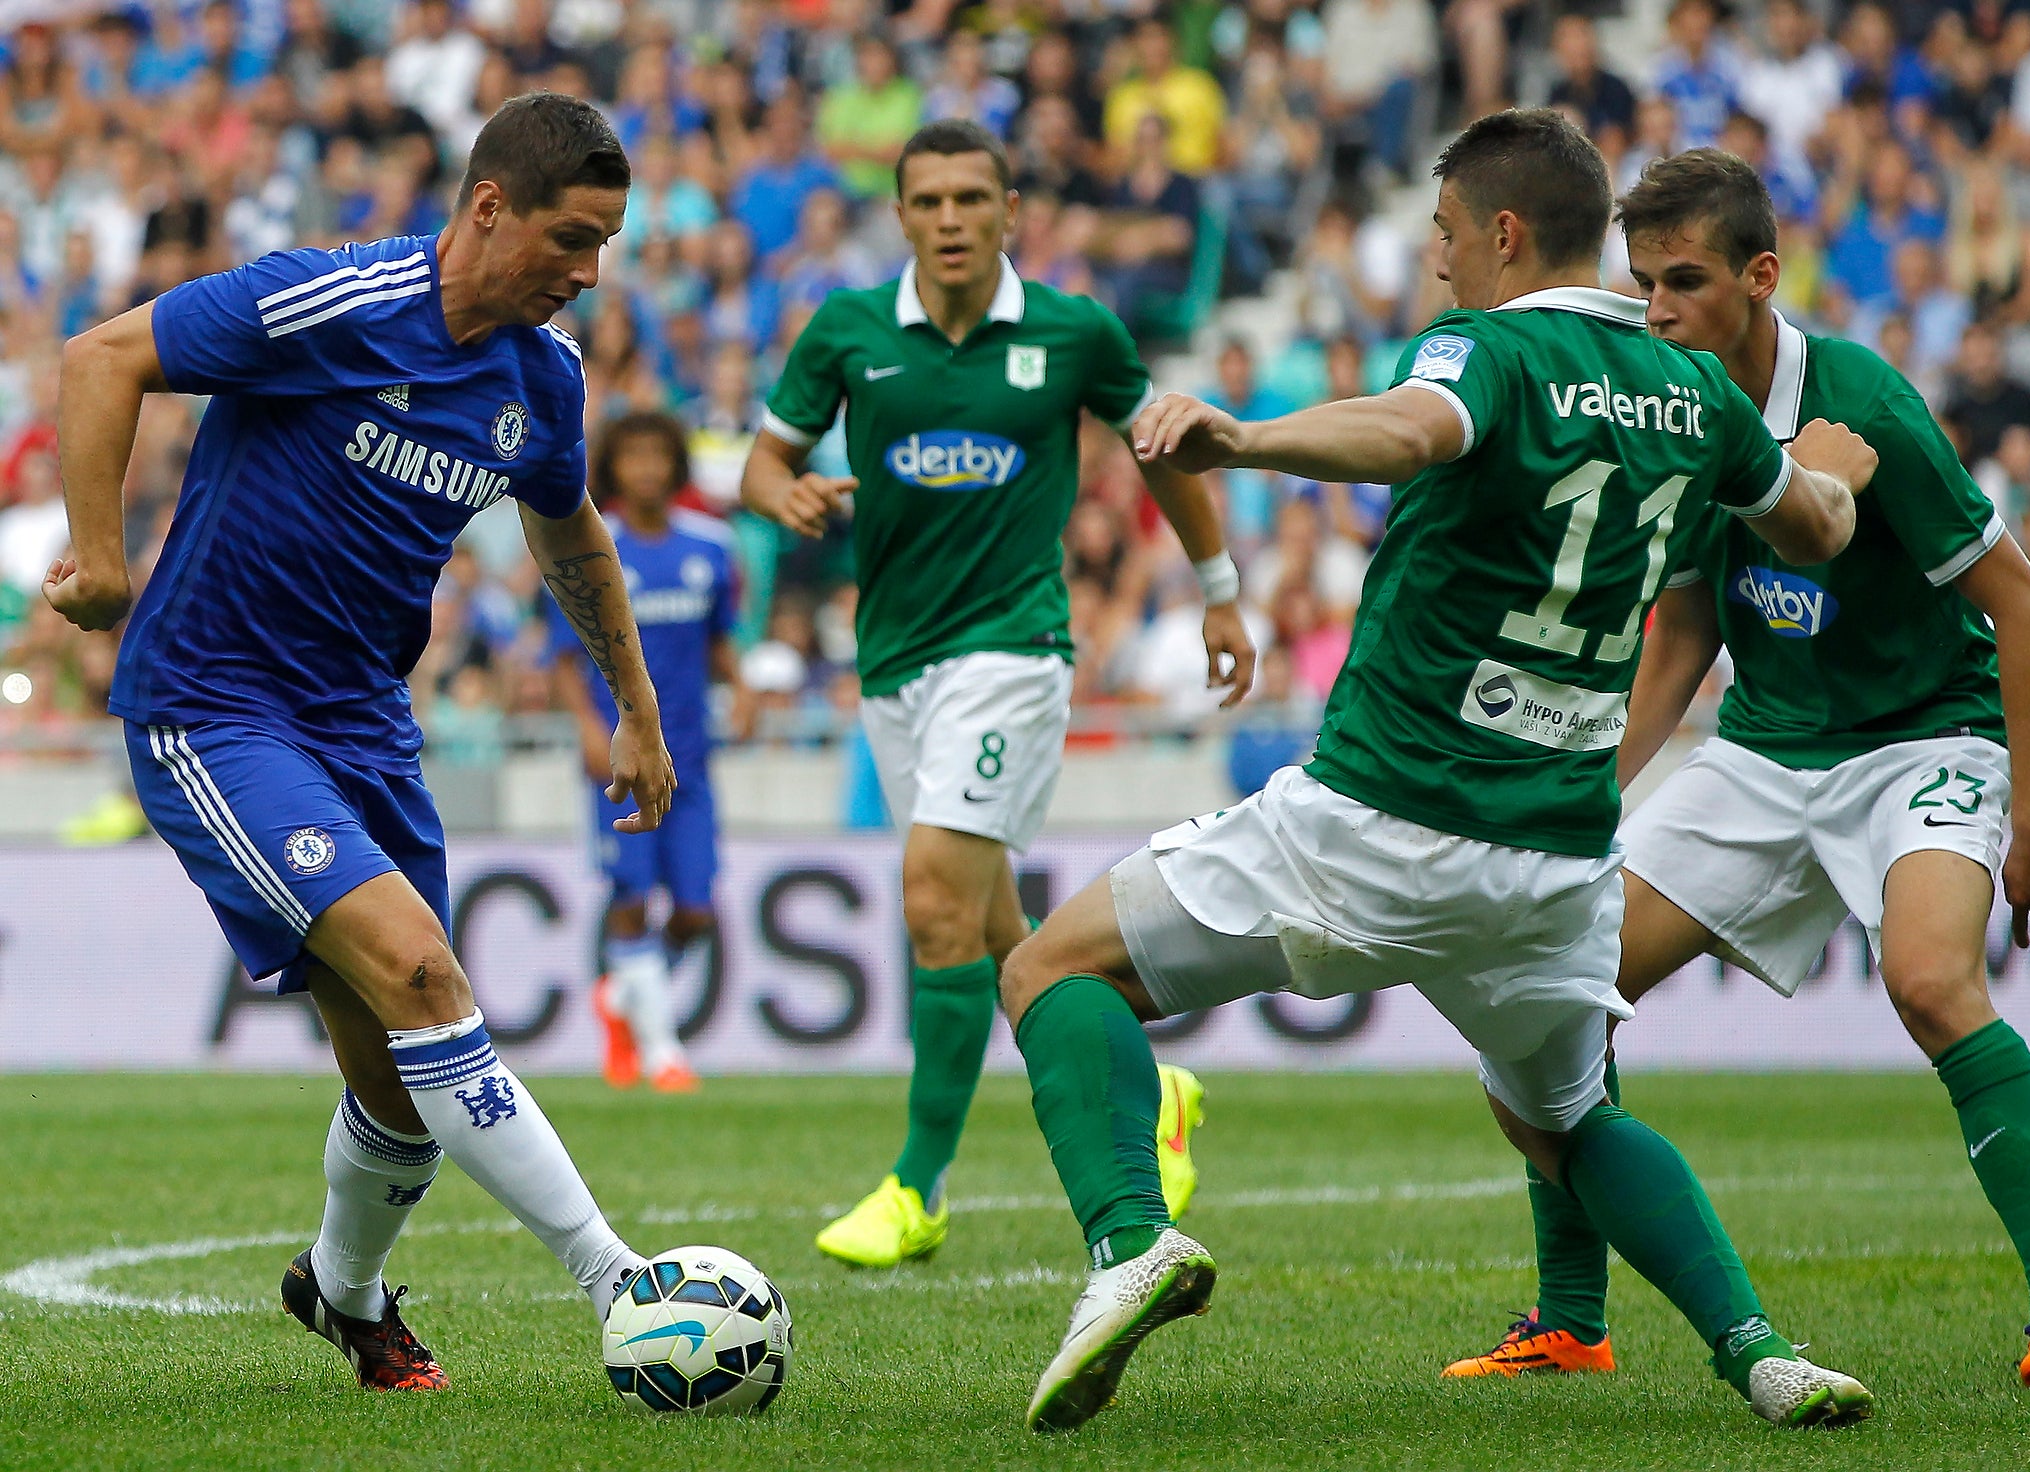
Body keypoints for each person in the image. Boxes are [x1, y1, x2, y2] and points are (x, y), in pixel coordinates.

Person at [994, 108, 1879, 1433]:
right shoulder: (1694, 383)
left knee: (1052, 969)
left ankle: (1130, 1242)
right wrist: (1830, 480)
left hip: (1383, 813)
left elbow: (1409, 432)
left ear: (1505, 232)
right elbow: (1811, 528)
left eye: (1448, 234)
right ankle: (1759, 1353)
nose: (1438, 260)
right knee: (1567, 1120)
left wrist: (1243, 440)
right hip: (1560, 858)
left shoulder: (1490, 346)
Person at [44, 93, 665, 1391]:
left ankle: (340, 1290)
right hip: (214, 707)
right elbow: (103, 357)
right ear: (488, 207)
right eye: (570, 236)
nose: (588, 272)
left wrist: (639, 713)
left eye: (606, 243)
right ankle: (623, 1283)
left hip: (365, 727)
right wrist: (103, 562)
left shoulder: (543, 380)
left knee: (399, 1081)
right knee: (428, 980)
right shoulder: (330, 301)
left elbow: (570, 538)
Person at [1445, 148, 2030, 1390]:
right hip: (1766, 749)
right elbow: (1685, 628)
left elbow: (2025, 609)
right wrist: (1589, 793)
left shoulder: (1864, 404)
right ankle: (1570, 1319)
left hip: (1922, 738)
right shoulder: (1670, 401)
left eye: (1682, 283)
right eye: (1642, 283)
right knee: (1558, 980)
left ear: (1760, 278)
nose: (1655, 309)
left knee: (1931, 980)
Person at [740, 118, 1256, 1270]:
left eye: (972, 198)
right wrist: (786, 497)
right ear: (901, 215)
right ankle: (1147, 1085)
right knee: (996, 938)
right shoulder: (848, 330)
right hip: (894, 661)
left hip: (1014, 646)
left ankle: (916, 1183)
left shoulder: (1073, 332)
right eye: (926, 202)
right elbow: (759, 462)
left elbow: (1161, 448)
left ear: (1010, 209)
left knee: (930, 891)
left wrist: (1218, 590)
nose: (950, 220)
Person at [553, 411, 742, 1096]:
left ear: (676, 464)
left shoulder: (712, 548)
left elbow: (721, 639)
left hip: (690, 761)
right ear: (614, 468)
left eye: (658, 456)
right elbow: (564, 658)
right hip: (621, 765)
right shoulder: (589, 548)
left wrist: (744, 686)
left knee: (695, 910)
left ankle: (625, 996)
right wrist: (582, 727)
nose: (647, 470)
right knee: (632, 898)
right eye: (632, 458)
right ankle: (663, 1050)